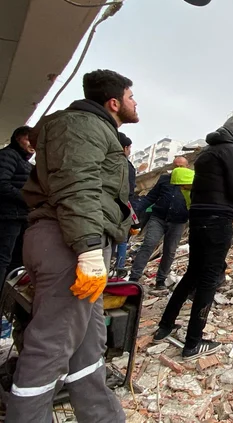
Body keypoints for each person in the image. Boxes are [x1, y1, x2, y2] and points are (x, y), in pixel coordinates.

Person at [7, 69, 138, 422]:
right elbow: (76, 186)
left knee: (86, 344)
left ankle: (101, 417)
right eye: (130, 96)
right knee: (51, 346)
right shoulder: (81, 125)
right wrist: (88, 248)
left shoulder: (93, 128)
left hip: (74, 240)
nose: (135, 102)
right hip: (67, 243)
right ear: (114, 102)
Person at [153, 117, 233, 360]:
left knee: (193, 272)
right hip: (217, 219)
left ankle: (166, 325)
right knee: (209, 279)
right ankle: (193, 342)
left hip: (199, 216)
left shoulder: (206, 153)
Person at [129, 156, 190, 290]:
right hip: (159, 218)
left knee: (170, 251)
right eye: (176, 166)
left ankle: (161, 281)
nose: (179, 168)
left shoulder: (191, 182)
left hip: (178, 222)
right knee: (149, 244)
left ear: (187, 167)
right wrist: (137, 209)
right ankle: (134, 277)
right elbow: (151, 197)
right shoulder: (164, 179)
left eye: (182, 166)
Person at [0, 126, 34, 292]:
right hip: (7, 217)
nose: (32, 144)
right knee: (3, 259)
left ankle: (5, 297)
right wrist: (27, 198)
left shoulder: (24, 163)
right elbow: (2, 184)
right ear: (17, 138)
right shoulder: (8, 156)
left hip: (20, 217)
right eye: (28, 139)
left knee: (16, 260)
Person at [115, 133, 138, 276]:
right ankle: (119, 267)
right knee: (122, 238)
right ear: (125, 148)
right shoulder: (126, 165)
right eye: (129, 148)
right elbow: (128, 190)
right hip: (122, 205)